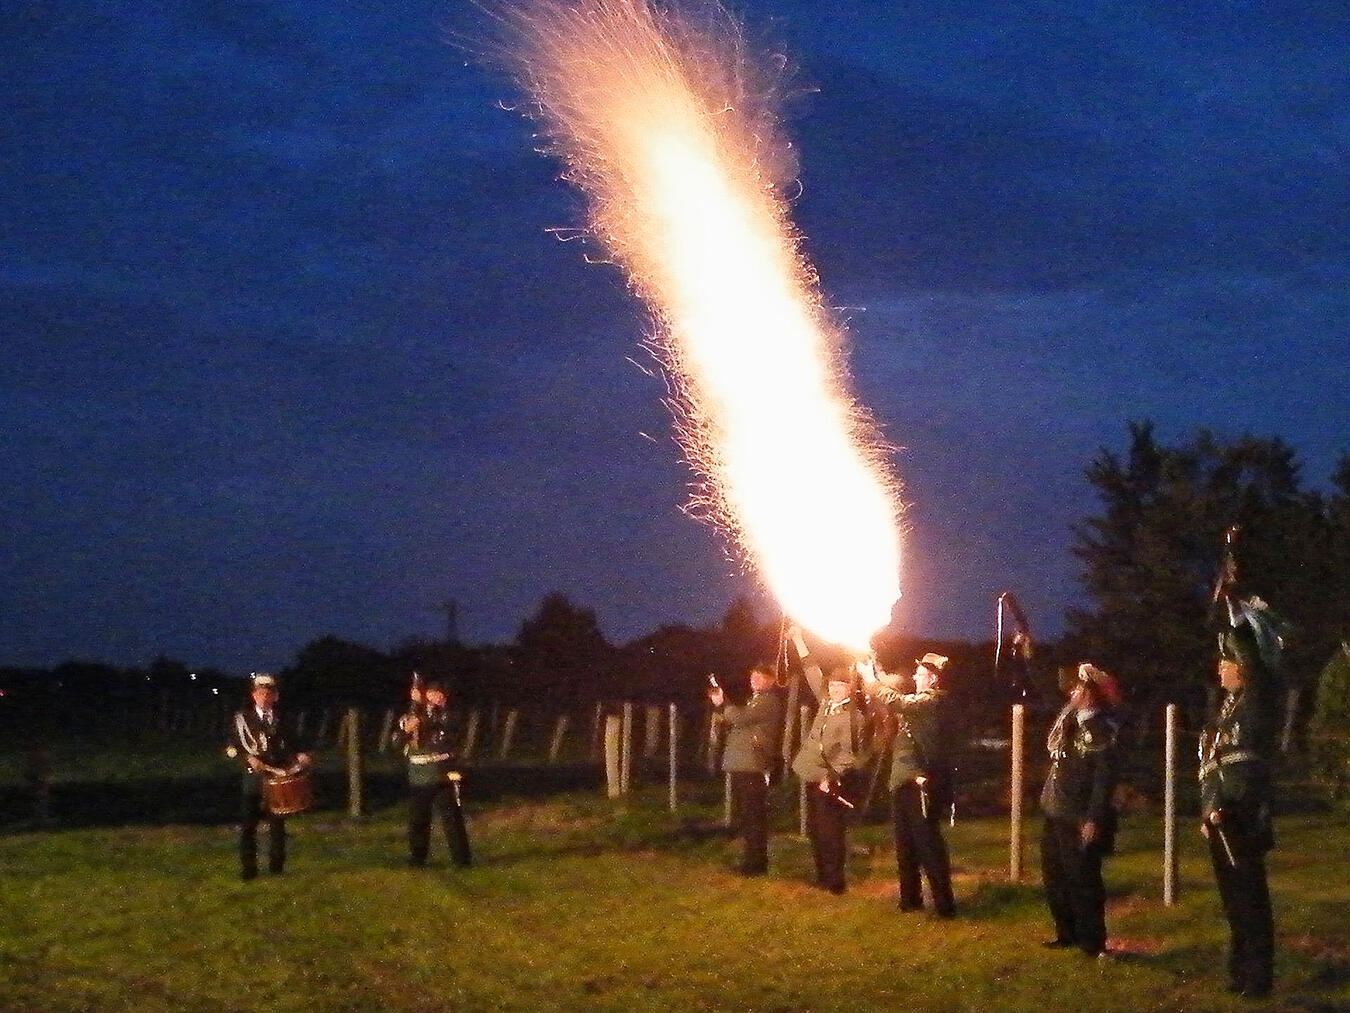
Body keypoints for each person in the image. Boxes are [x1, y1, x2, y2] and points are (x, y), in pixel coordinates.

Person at [1200, 618, 1279, 998]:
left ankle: (1258, 977)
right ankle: (1239, 970)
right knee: (1234, 901)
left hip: (1244, 815)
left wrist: (1237, 625)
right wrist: (1208, 809)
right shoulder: (1224, 710)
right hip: (1220, 816)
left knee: (1250, 900)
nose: (1220, 668)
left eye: (1226, 662)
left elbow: (1256, 663)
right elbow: (1213, 765)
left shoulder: (1257, 701)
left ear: (1243, 668)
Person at [861, 651, 957, 917]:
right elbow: (893, 697)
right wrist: (874, 668)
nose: (915, 676)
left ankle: (944, 905)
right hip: (901, 780)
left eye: (922, 673)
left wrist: (871, 680)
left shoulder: (933, 701)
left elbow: (898, 702)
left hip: (921, 781)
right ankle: (910, 899)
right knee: (904, 844)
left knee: (928, 844)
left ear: (934, 679)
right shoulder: (918, 699)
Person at [1039, 662, 1122, 959]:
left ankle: (1092, 942)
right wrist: (1030, 652)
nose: (1070, 692)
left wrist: (1093, 818)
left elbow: (1103, 779)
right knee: (1055, 876)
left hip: (1078, 814)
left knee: (1083, 880)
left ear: (1089, 693)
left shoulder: (1101, 729)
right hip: (1056, 810)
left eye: (1077, 687)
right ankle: (1067, 933)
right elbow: (1045, 688)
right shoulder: (1071, 720)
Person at [788, 626, 873, 894]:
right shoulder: (825, 702)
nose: (835, 689)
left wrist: (831, 778)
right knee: (815, 830)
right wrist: (799, 640)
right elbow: (812, 671)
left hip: (833, 781)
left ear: (849, 689)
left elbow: (849, 754)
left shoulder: (854, 717)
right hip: (814, 775)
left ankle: (835, 881)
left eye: (840, 686)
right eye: (833, 685)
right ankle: (822, 875)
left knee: (831, 832)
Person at [227, 672, 311, 881]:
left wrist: (302, 755)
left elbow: (296, 743)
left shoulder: (283, 719)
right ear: (253, 695)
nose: (264, 697)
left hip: (278, 778)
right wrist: (247, 759)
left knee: (277, 825)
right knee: (248, 825)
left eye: (268, 693)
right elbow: (231, 748)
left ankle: (277, 867)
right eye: (260, 693)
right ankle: (249, 869)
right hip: (254, 778)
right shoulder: (242, 720)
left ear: (275, 696)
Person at [710, 663, 785, 876]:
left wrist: (723, 703)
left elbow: (740, 718)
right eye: (753, 676)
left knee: (753, 817)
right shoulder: (757, 700)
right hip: (745, 764)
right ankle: (753, 861)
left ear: (770, 681)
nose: (754, 680)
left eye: (760, 677)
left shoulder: (768, 700)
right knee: (749, 816)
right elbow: (738, 718)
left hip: (752, 764)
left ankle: (755, 865)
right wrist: (723, 706)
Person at [394, 678, 472, 869]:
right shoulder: (412, 715)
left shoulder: (449, 715)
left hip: (443, 772)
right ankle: (417, 858)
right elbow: (397, 740)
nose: (437, 697)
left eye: (439, 693)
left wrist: (420, 711)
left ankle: (462, 860)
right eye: (432, 693)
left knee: (451, 819)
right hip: (419, 774)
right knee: (418, 819)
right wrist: (407, 728)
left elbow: (443, 726)